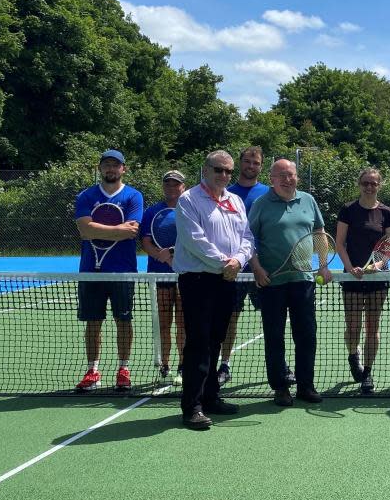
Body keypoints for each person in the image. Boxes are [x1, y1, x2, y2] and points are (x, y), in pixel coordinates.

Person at [172, 151, 255, 429]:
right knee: (198, 343)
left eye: (228, 171)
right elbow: (195, 240)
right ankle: (192, 407)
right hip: (198, 281)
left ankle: (210, 398)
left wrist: (239, 260)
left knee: (216, 340)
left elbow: (247, 237)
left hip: (227, 279)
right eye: (218, 170)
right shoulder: (188, 200)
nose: (224, 175)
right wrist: (225, 263)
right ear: (205, 170)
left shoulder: (236, 201)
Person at [248, 159, 330, 407]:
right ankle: (280, 388)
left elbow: (320, 233)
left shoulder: (308, 200)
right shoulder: (261, 204)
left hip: (303, 280)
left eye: (291, 174)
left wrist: (324, 264)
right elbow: (247, 240)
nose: (287, 179)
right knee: (275, 337)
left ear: (297, 177)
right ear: (271, 178)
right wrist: (257, 268)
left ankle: (306, 386)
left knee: (306, 335)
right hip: (271, 282)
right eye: (281, 175)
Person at [72, 149, 144, 392]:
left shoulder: (134, 196)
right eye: (106, 165)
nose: (111, 169)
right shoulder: (86, 196)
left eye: (116, 165)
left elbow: (132, 230)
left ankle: (123, 369)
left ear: (123, 168)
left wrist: (97, 228)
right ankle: (92, 371)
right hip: (90, 271)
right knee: (93, 323)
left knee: (123, 320)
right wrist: (117, 230)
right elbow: (84, 231)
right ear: (100, 168)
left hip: (123, 271)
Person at [216, 145, 277, 387]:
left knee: (272, 318)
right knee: (230, 318)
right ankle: (225, 365)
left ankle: (279, 365)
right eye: (248, 162)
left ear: (261, 167)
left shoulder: (269, 193)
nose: (251, 166)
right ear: (240, 163)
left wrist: (260, 264)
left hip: (265, 269)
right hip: (234, 268)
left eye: (256, 163)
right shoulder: (225, 192)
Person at [334, 167, 390, 395]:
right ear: (359, 184)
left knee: (372, 326)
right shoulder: (348, 210)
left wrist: (377, 266)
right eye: (365, 183)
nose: (369, 187)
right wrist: (350, 268)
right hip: (352, 277)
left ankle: (368, 372)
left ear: (379, 185)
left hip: (377, 278)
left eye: (373, 183)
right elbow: (340, 243)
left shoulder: (387, 212)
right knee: (353, 326)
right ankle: (353, 354)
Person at [140, 169, 187, 386]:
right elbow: (146, 242)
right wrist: (163, 257)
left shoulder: (190, 209)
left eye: (175, 184)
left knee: (183, 324)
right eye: (167, 183)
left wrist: (175, 256)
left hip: (185, 274)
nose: (171, 187)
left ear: (183, 187)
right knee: (163, 323)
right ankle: (164, 364)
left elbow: (194, 240)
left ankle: (182, 366)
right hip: (159, 276)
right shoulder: (151, 212)